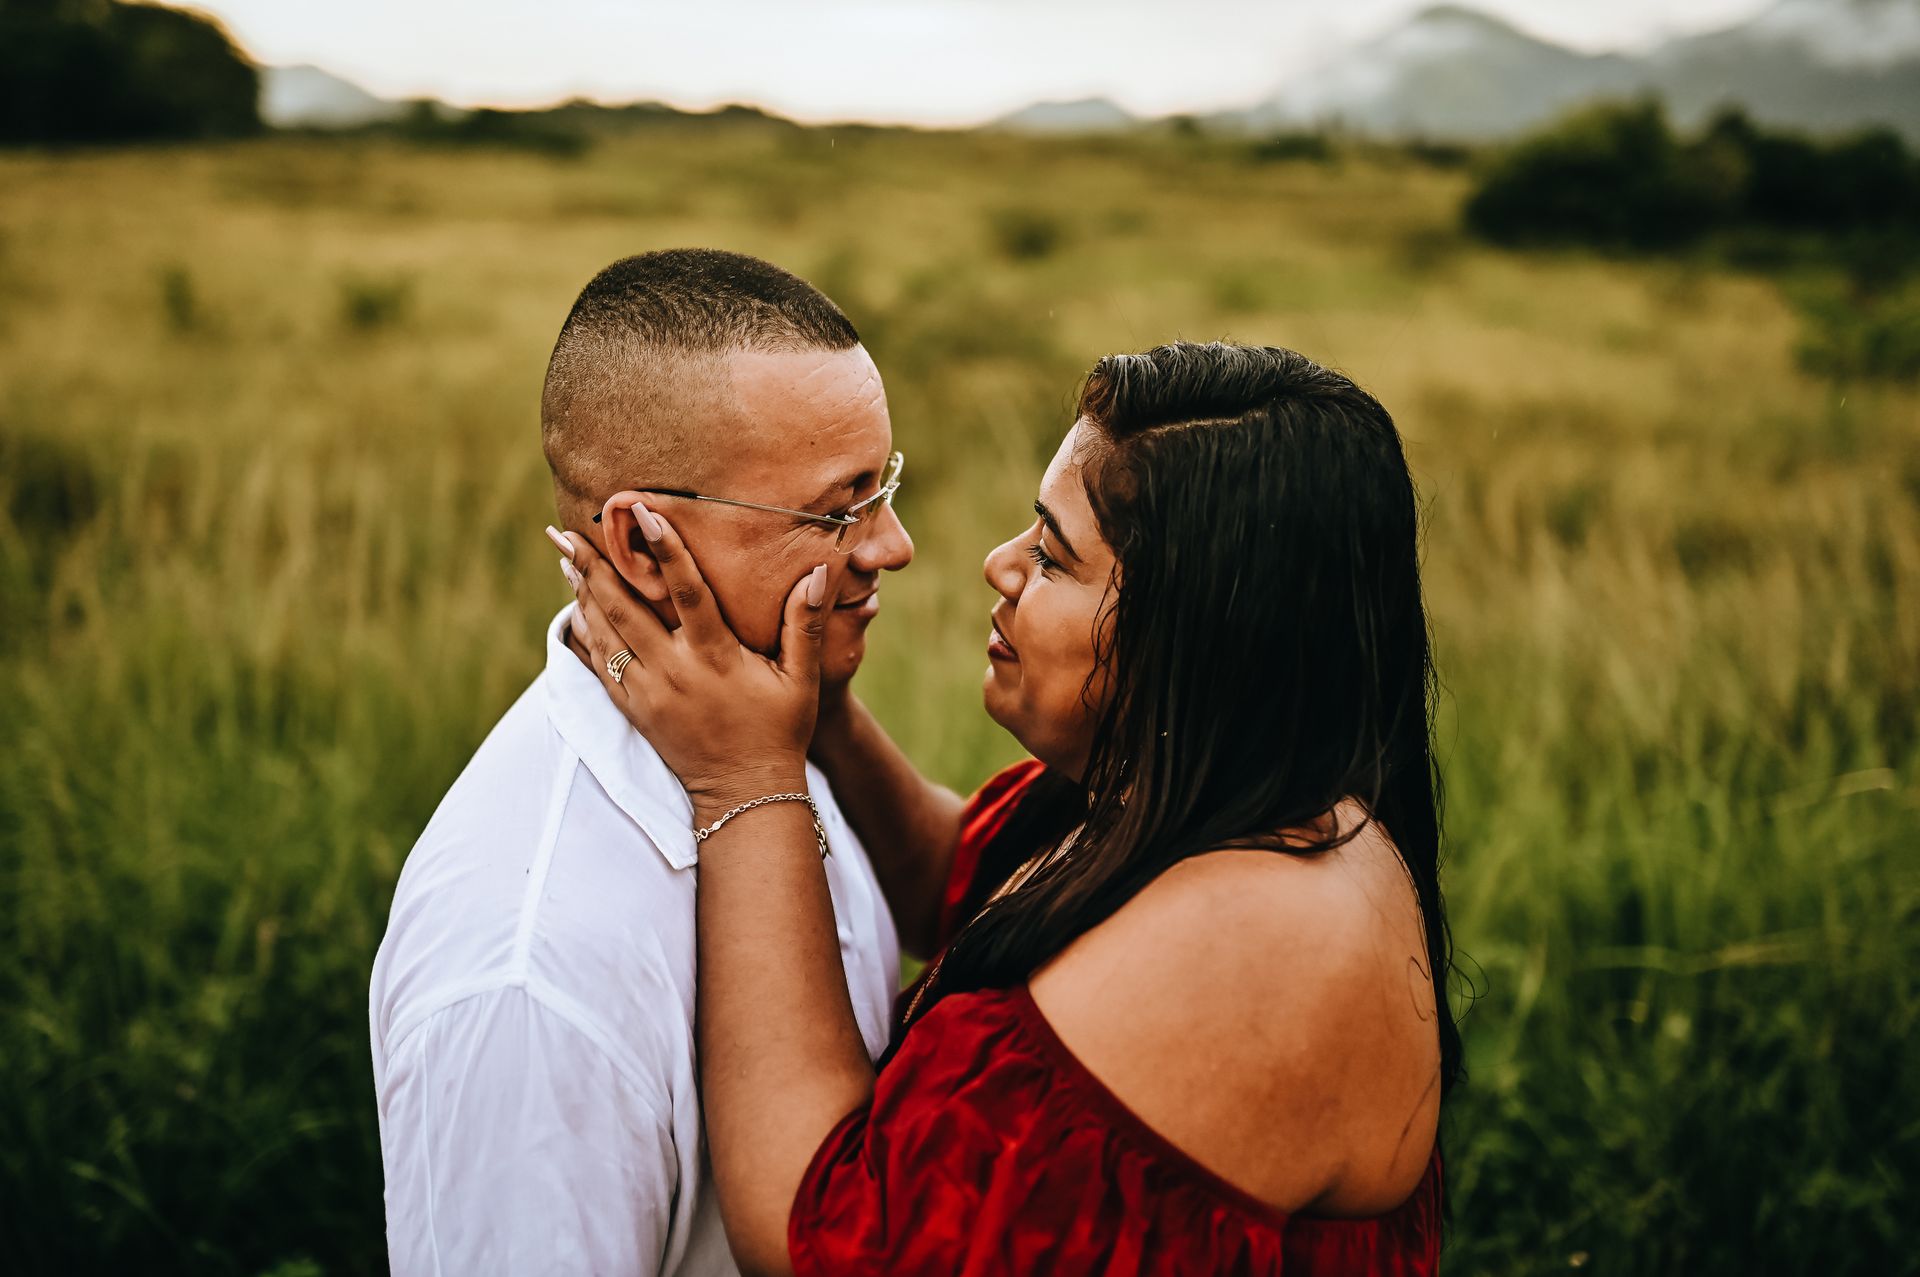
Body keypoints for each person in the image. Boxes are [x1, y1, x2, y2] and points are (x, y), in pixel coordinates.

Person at [559, 340, 1460, 1276]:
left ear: (1198, 635)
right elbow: (958, 880)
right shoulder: (1203, 790)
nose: (1001, 565)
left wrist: (745, 777)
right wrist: (814, 705)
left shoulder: (1257, 935)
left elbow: (817, 1237)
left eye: (1056, 557)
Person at [368, 249, 916, 1275]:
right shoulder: (528, 964)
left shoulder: (778, 720)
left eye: (883, 483)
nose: (893, 545)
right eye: (838, 509)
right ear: (640, 540)